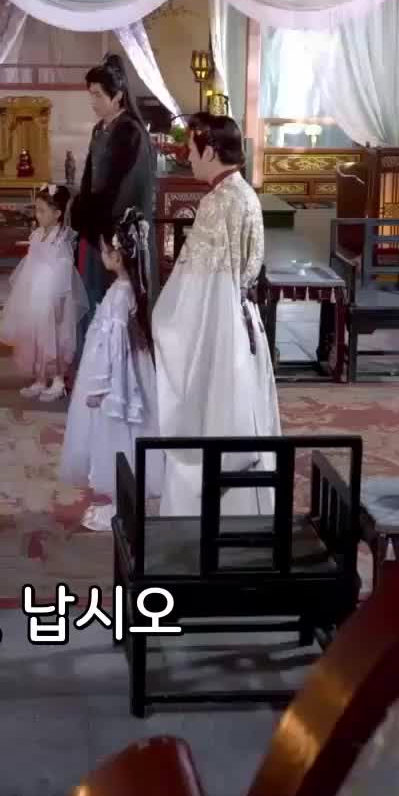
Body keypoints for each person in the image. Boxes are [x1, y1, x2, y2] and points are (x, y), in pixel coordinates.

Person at [153, 113, 280, 517]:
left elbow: (199, 284)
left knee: (211, 418)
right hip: (243, 322)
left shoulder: (216, 202)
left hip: (219, 325)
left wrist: (162, 318)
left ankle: (202, 522)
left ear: (209, 151)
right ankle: (247, 515)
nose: (188, 158)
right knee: (243, 417)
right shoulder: (245, 193)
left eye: (191, 150)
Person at [59, 208, 158, 532]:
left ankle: (119, 504)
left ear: (117, 256)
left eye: (104, 250)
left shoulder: (119, 295)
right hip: (131, 371)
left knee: (115, 434)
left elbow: (113, 347)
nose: (101, 255)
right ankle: (123, 501)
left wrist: (100, 386)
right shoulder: (131, 289)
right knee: (127, 434)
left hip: (117, 379)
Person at [69, 52, 156, 321]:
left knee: (117, 309)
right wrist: (82, 212)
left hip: (117, 231)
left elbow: (129, 187)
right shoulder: (99, 129)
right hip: (96, 227)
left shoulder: (131, 132)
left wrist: (109, 232)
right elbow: (89, 178)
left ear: (117, 95)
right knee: (93, 298)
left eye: (98, 95)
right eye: (91, 94)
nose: (93, 102)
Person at [0, 182, 88, 402]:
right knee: (36, 336)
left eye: (43, 211)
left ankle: (58, 381)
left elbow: (64, 267)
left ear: (57, 214)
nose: (38, 215)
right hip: (35, 290)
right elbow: (30, 262)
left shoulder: (62, 238)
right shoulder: (37, 235)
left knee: (54, 337)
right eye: (37, 209)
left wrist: (58, 297)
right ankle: (40, 378)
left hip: (54, 293)